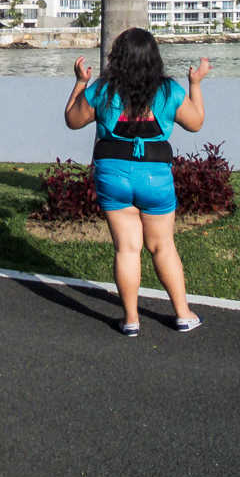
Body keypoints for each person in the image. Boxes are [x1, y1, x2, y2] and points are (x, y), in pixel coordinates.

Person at [64, 27, 211, 337]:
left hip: (113, 177)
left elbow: (72, 120)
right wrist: (195, 84)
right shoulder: (169, 91)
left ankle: (131, 320)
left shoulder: (101, 91)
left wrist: (80, 81)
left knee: (127, 249)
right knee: (163, 247)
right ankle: (183, 314)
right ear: (154, 58)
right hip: (154, 179)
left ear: (117, 58)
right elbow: (196, 123)